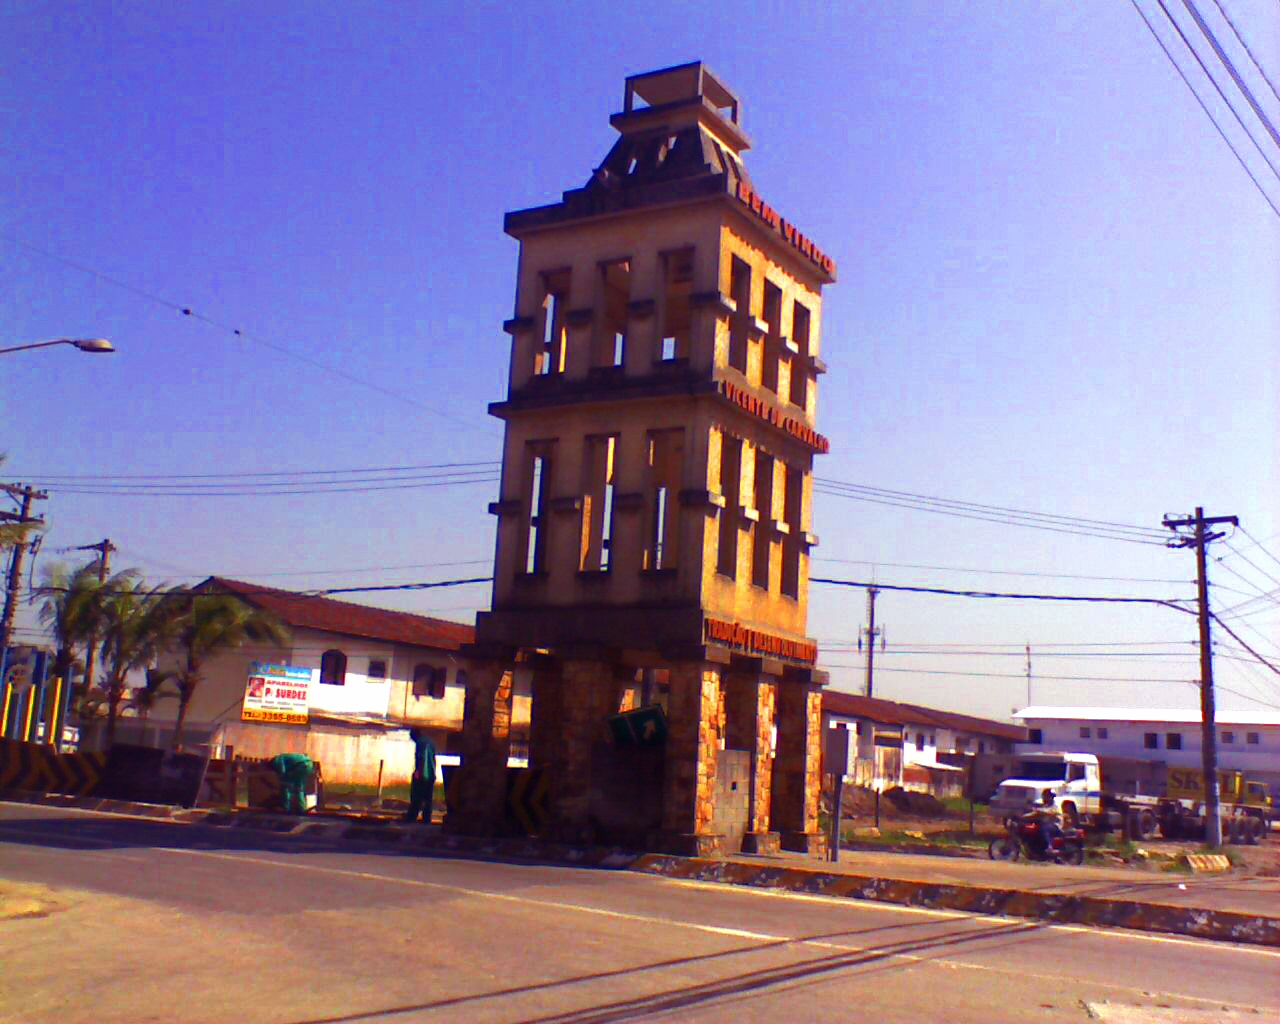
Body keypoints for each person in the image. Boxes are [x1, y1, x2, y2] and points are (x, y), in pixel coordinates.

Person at [404, 727, 437, 823]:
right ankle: (426, 818)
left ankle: (412, 817)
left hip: (422, 775)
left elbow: (421, 758)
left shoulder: (420, 743)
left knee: (416, 797)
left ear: (414, 735)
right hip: (430, 775)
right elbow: (433, 759)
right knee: (428, 799)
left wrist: (418, 772)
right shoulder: (430, 742)